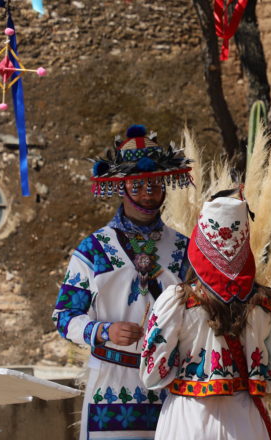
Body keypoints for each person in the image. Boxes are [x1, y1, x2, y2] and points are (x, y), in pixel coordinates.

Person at [52, 125, 194, 440]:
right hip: (112, 388)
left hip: (171, 385)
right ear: (121, 186)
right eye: (138, 185)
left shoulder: (184, 248)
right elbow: (63, 317)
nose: (148, 193)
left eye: (155, 184)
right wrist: (104, 331)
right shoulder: (94, 248)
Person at [140, 192, 271, 440]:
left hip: (187, 419)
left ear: (199, 243)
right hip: (245, 422)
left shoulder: (177, 301)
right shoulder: (268, 304)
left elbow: (152, 374)